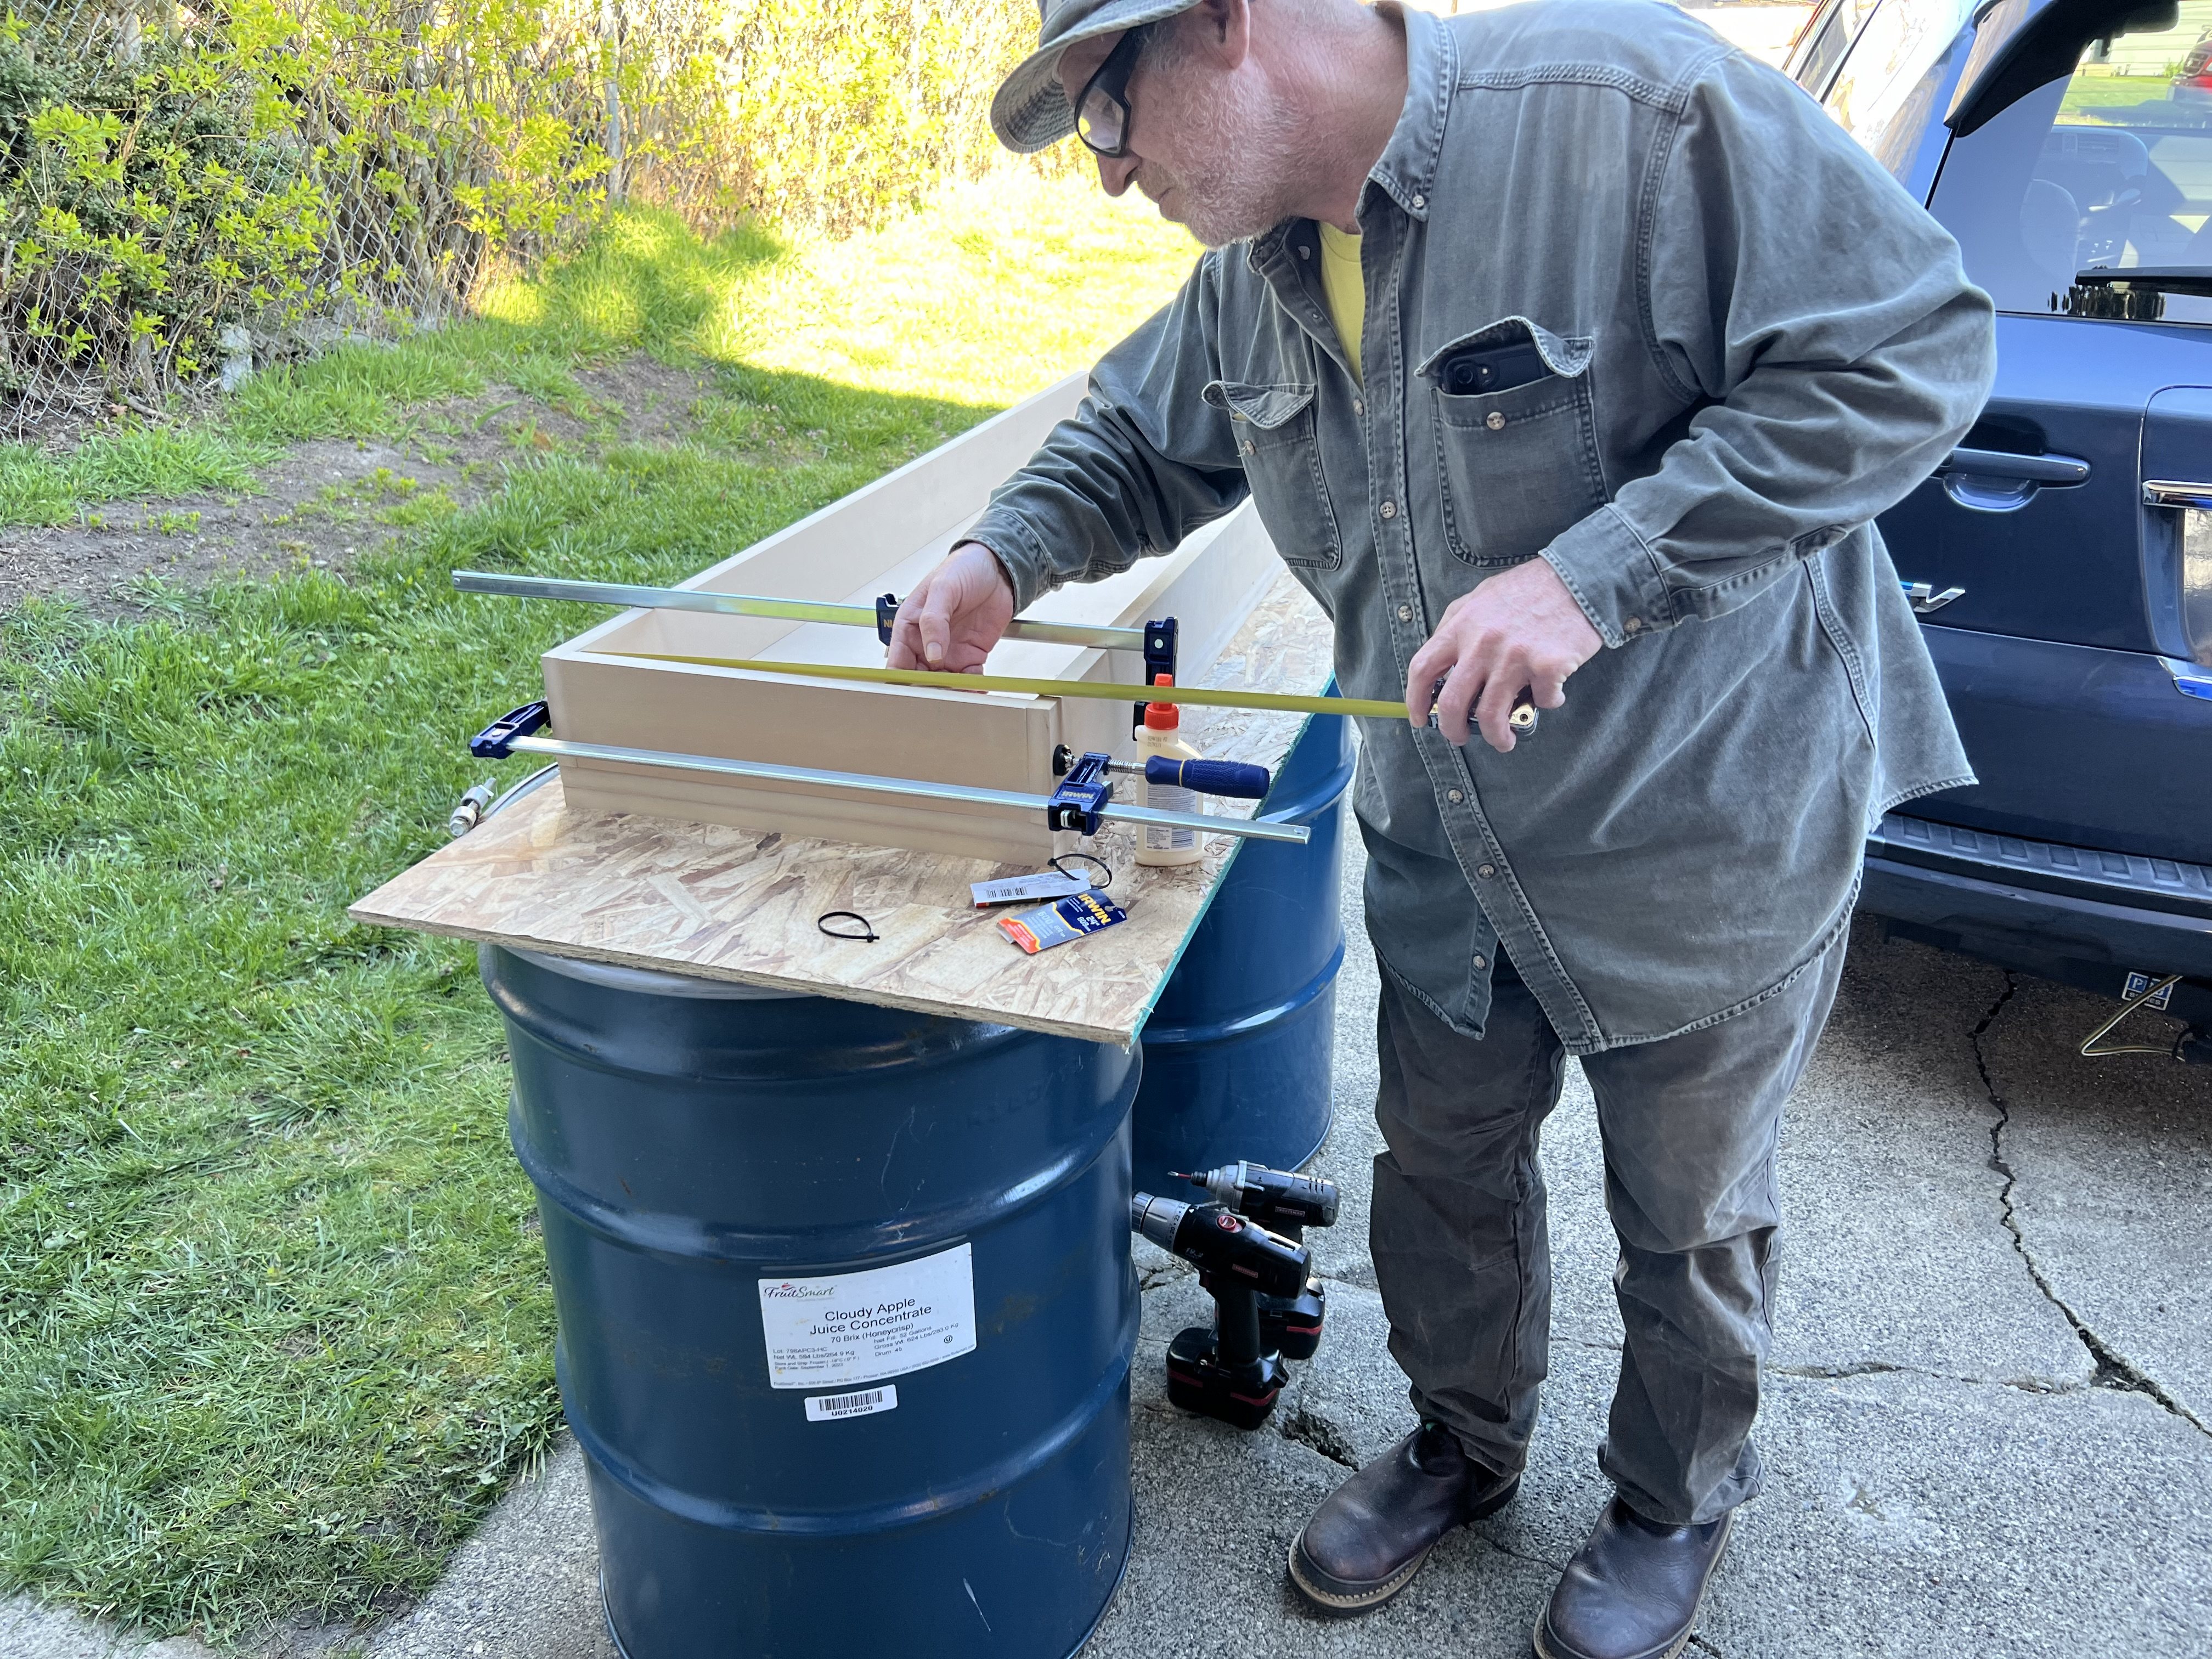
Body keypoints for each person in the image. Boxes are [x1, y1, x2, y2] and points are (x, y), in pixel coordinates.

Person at [887, 2, 1996, 1654]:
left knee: (1687, 1219)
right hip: (1452, 839)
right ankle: (1463, 1448)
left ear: (1219, 29)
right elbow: (1133, 438)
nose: (1112, 181)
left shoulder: (1629, 111)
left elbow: (1912, 350)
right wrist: (1001, 556)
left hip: (1699, 821)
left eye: (1108, 124)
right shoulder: (1258, 261)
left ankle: (1669, 1508)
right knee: (1441, 1171)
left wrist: (1596, 574)